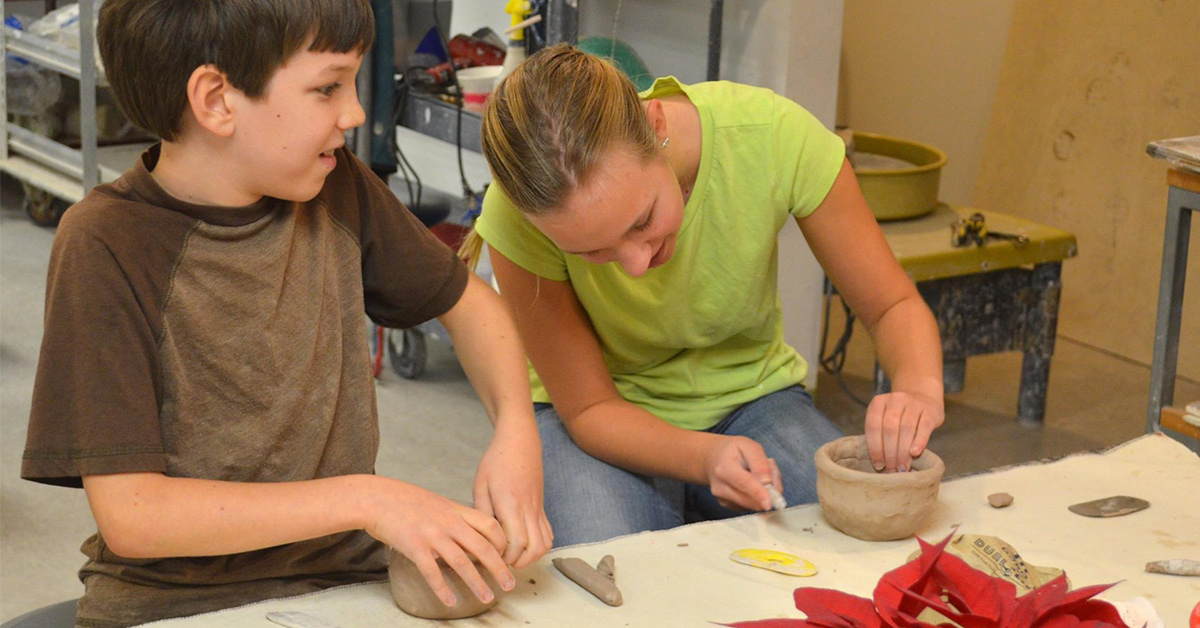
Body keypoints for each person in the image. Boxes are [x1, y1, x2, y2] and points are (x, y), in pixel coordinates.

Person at [19, 1, 550, 625]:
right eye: (327, 87)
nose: (354, 112)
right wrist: (367, 499)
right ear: (216, 99)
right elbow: (135, 516)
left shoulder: (338, 186)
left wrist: (517, 430)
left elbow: (469, 304)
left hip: (343, 583)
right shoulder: (106, 243)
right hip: (175, 606)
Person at [464, 44, 945, 547]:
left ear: (656, 124)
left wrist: (917, 386)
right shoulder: (516, 213)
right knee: (616, 578)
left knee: (863, 541)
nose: (635, 264)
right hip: (593, 419)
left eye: (643, 221)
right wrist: (703, 457)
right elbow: (588, 410)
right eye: (593, 251)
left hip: (750, 396)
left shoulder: (770, 136)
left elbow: (893, 306)